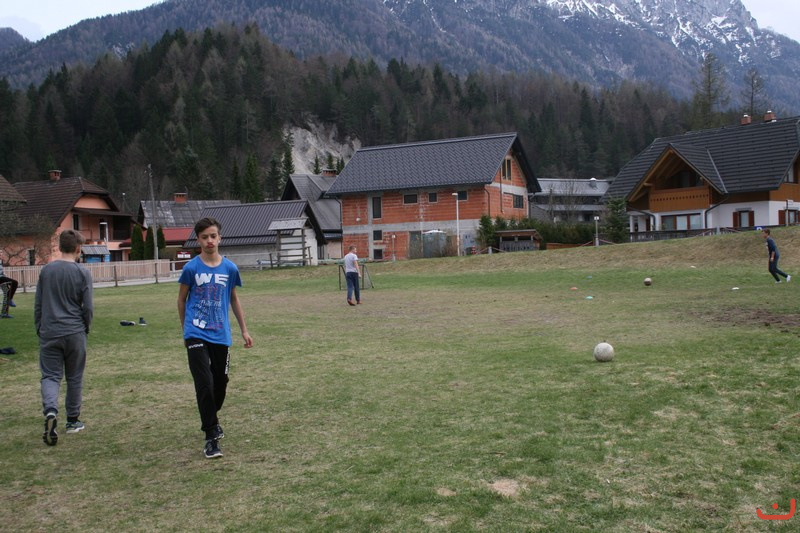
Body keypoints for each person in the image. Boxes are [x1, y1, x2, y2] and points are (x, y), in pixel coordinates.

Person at [178, 217, 253, 459]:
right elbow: (181, 300)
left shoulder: (230, 268)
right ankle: (211, 435)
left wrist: (244, 330)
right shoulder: (191, 269)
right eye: (204, 237)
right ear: (198, 240)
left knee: (220, 382)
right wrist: (185, 330)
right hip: (196, 332)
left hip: (221, 334)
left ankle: (211, 414)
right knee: (204, 383)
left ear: (219, 238)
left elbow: (233, 298)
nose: (209, 241)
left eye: (213, 236)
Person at [36, 229, 93, 446]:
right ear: (78, 248)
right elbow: (87, 307)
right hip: (74, 331)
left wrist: (39, 327)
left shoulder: (47, 271)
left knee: (50, 376)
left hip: (50, 331)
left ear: (60, 247)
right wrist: (86, 327)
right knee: (74, 377)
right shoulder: (82, 272)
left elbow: (39, 303)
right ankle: (72, 420)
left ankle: (51, 410)